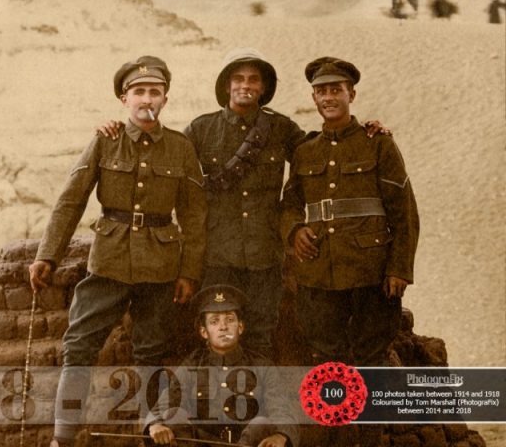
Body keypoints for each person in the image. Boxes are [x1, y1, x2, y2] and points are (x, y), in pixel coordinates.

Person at [99, 48, 388, 357]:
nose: (245, 85)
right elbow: (160, 156)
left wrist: (364, 133)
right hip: (217, 255)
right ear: (226, 86)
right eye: (238, 79)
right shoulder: (201, 129)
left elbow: (320, 156)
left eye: (253, 80)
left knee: (261, 333)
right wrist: (118, 130)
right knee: (215, 337)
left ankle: (256, 404)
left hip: (265, 257)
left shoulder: (281, 129)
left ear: (263, 88)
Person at [29, 55, 207, 447]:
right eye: (139, 91)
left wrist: (189, 272)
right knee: (78, 346)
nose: (147, 98)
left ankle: (153, 424)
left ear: (165, 99)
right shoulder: (105, 139)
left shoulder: (180, 148)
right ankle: (64, 435)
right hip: (108, 262)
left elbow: (194, 216)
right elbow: (70, 200)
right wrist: (48, 255)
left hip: (160, 267)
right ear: (124, 99)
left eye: (155, 92)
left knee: (152, 348)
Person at [281, 56, 419, 367]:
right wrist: (294, 229)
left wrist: (399, 268)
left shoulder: (378, 144)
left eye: (336, 90)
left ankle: (374, 416)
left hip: (369, 272)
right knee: (328, 356)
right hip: (320, 275)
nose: (329, 97)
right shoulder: (305, 151)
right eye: (322, 91)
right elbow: (289, 204)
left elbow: (403, 210)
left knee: (372, 355)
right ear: (313, 97)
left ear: (351, 95)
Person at [145, 284, 298, 447]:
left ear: (240, 327)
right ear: (204, 332)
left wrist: (281, 436)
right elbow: (166, 404)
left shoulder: (262, 366)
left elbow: (281, 409)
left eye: (230, 320)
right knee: (174, 416)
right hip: (201, 444)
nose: (223, 327)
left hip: (247, 443)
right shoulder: (193, 365)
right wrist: (155, 425)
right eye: (214, 321)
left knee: (262, 423)